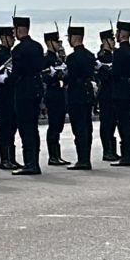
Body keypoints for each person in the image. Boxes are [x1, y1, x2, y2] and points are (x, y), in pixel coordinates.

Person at [9, 14, 45, 176]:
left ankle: (29, 163)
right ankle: (34, 161)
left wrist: (7, 78)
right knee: (33, 127)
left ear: (19, 29)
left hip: (23, 91)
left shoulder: (18, 50)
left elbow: (16, 73)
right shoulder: (37, 47)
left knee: (25, 128)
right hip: (36, 89)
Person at [64, 25, 96, 170]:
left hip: (76, 94)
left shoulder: (71, 58)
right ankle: (86, 158)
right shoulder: (90, 55)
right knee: (87, 126)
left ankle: (82, 159)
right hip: (87, 93)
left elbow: (69, 78)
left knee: (79, 128)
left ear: (73, 38)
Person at [0, 27, 21, 170]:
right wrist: (0, 78)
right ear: (3, 38)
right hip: (2, 94)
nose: (13, 40)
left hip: (13, 93)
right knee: (4, 126)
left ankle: (12, 157)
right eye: (11, 37)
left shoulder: (14, 54)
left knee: (13, 126)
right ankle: (4, 158)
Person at [110, 21, 130, 167]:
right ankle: (129, 155)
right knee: (129, 123)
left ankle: (126, 156)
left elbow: (115, 73)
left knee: (123, 124)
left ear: (121, 34)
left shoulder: (120, 52)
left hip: (121, 91)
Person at [41, 31, 70, 166]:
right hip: (52, 95)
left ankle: (57, 154)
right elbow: (46, 78)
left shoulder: (59, 59)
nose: (59, 44)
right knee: (53, 125)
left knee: (59, 125)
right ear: (49, 43)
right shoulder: (46, 59)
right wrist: (57, 77)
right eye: (56, 41)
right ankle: (53, 156)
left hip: (60, 94)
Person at [96, 29, 118, 161]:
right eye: (111, 39)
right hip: (105, 93)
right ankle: (107, 150)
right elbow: (103, 76)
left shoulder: (114, 55)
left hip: (113, 92)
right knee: (106, 122)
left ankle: (112, 149)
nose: (113, 41)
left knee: (113, 122)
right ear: (105, 41)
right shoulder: (102, 56)